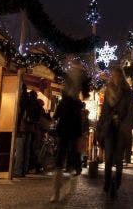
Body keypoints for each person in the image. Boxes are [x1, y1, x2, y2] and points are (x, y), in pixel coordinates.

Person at [50, 64, 89, 202]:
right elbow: (57, 115)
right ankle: (59, 191)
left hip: (69, 128)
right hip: (68, 128)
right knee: (64, 159)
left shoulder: (71, 102)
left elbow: (57, 115)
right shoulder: (69, 102)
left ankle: (61, 190)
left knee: (67, 159)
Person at [97, 66, 133, 199]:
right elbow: (103, 112)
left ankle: (117, 181)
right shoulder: (108, 92)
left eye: (117, 75)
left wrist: (124, 123)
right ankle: (107, 182)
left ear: (121, 76)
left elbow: (131, 112)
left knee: (119, 159)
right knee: (108, 159)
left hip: (121, 129)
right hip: (109, 129)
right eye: (112, 76)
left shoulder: (128, 93)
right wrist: (101, 125)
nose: (115, 78)